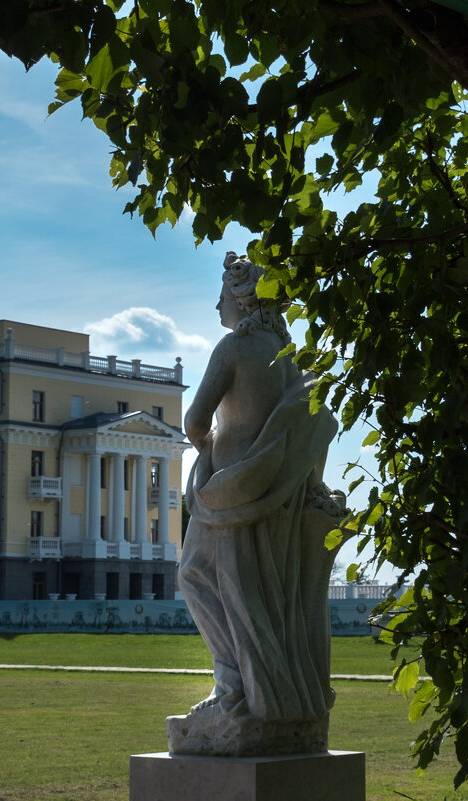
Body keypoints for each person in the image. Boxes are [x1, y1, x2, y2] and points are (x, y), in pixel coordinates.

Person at [170, 252, 346, 757]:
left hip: (228, 491)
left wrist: (207, 448)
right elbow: (314, 429)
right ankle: (273, 701)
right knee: (268, 595)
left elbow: (195, 420)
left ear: (243, 301)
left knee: (198, 578)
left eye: (222, 296)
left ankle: (234, 692)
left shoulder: (233, 348)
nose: (216, 305)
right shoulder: (293, 357)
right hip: (278, 494)